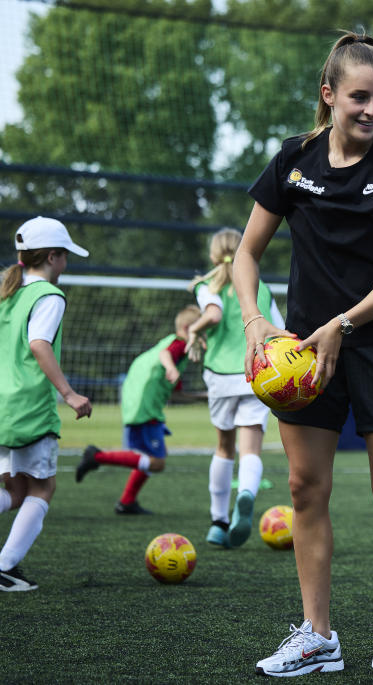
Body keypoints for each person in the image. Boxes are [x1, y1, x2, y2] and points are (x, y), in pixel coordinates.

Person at [233, 32, 373, 679]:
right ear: (329, 95)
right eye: (359, 97)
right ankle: (316, 635)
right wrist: (253, 323)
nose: (372, 109)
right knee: (304, 487)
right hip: (300, 353)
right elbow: (245, 254)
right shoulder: (293, 161)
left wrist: (342, 324)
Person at [0, 217, 91, 591]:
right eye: (65, 256)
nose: (66, 264)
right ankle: (4, 568)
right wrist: (69, 394)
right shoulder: (48, 296)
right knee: (42, 488)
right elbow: (39, 344)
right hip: (28, 406)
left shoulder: (9, 292)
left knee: (14, 489)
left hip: (2, 404)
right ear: (52, 257)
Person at [186, 228, 283, 549]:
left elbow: (212, 315)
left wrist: (192, 330)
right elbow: (279, 331)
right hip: (255, 372)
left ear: (214, 256)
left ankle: (218, 523)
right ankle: (246, 494)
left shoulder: (207, 285)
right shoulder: (262, 288)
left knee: (224, 448)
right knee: (251, 449)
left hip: (220, 375)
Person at [75, 305, 202, 513]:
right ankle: (96, 457)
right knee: (157, 462)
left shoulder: (171, 345)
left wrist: (204, 398)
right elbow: (165, 355)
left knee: (148, 456)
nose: (203, 336)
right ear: (188, 328)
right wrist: (170, 367)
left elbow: (176, 394)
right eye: (201, 330)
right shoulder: (178, 344)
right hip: (146, 407)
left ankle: (126, 502)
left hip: (138, 402)